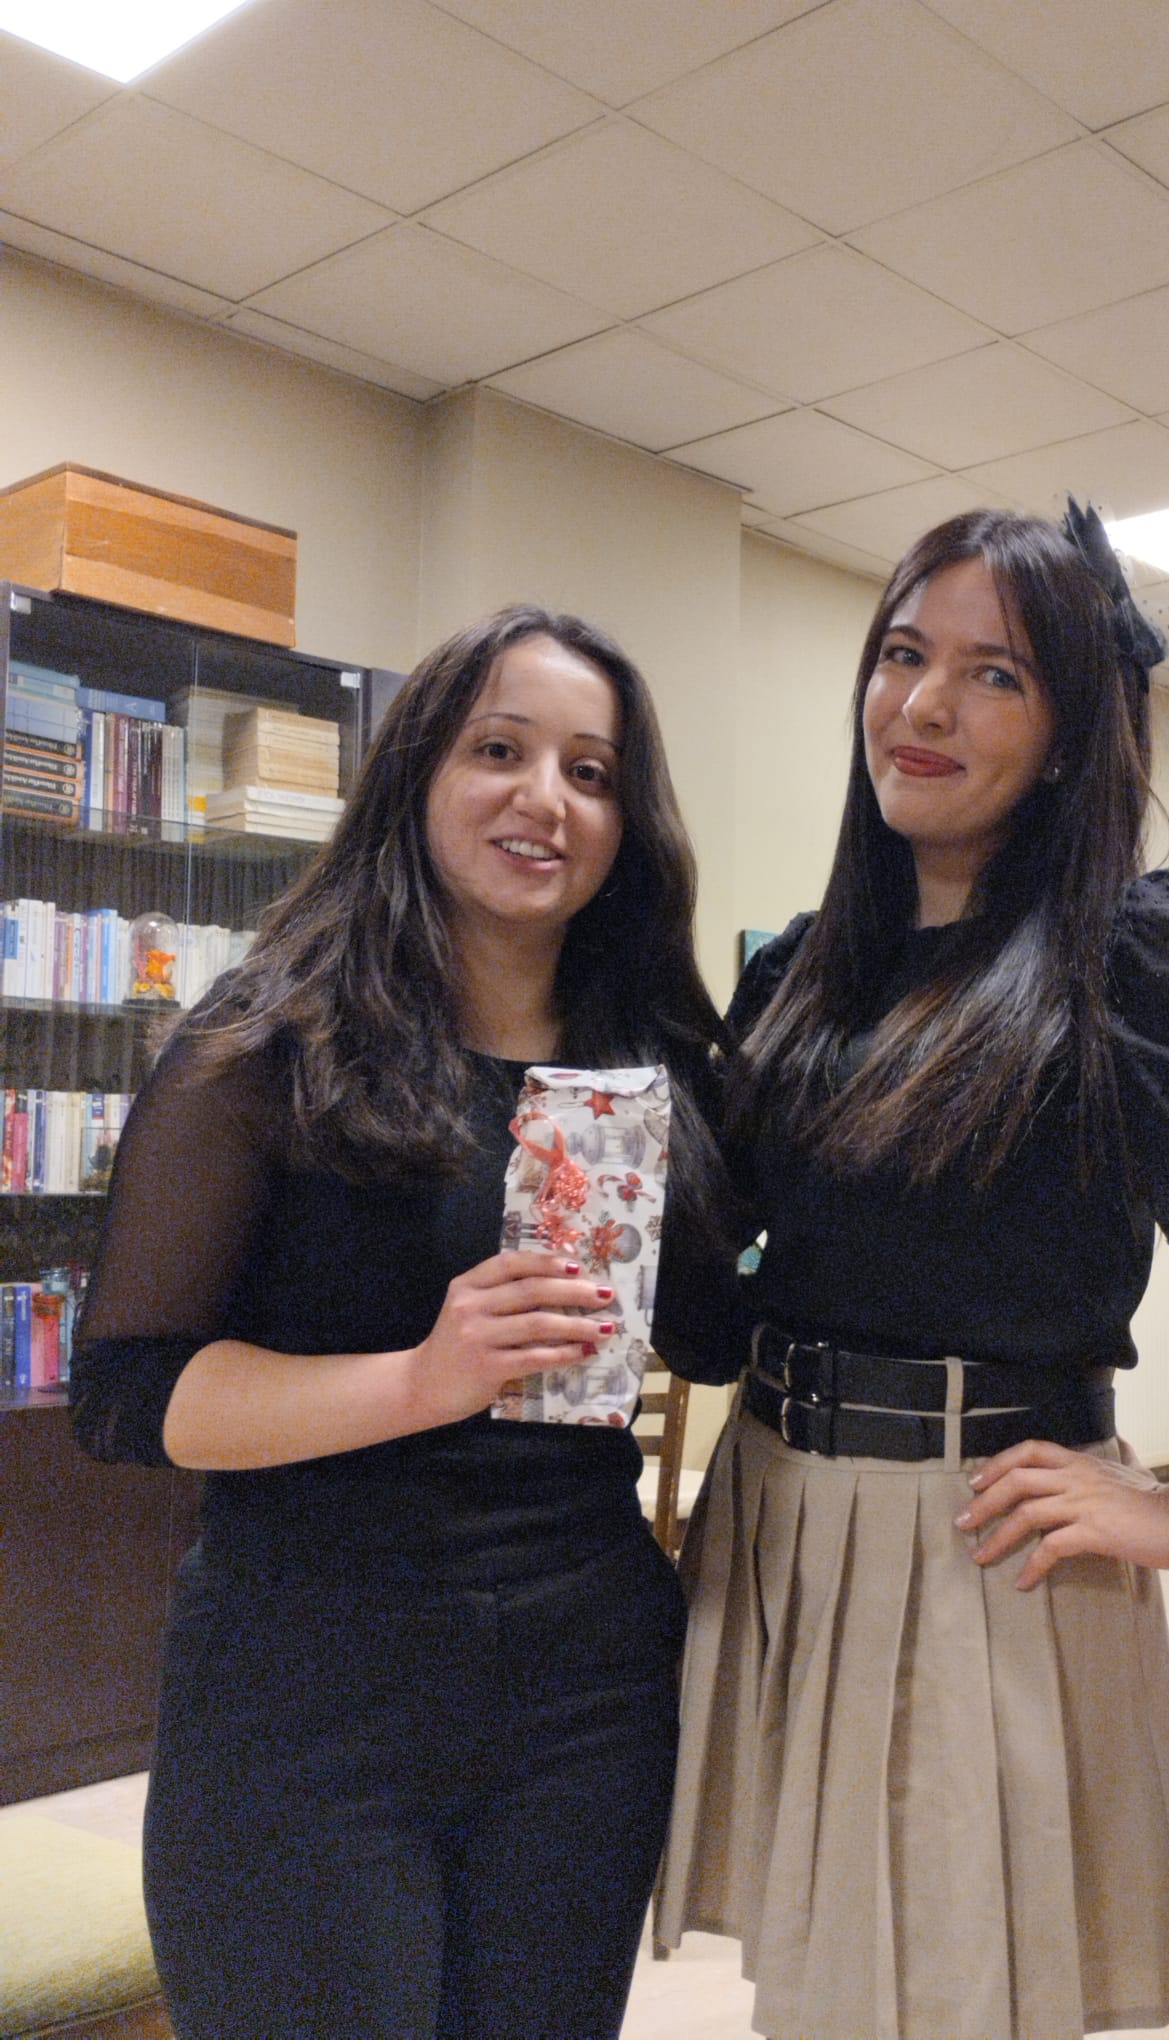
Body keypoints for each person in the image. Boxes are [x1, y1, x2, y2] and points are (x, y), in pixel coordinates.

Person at [653, 505, 1169, 2040]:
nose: (924, 705)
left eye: (996, 675)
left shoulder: (1135, 959)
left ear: (1074, 733)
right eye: (904, 654)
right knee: (821, 1990)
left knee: (949, 2002)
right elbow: (730, 1269)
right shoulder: (804, 970)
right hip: (779, 1523)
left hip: (979, 1540)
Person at [70, 605, 731, 2040]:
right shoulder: (265, 1044)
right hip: (307, 1681)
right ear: (418, 774)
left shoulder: (652, 1070)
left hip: (588, 1691)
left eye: (592, 772)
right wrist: (423, 1379)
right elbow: (128, 1394)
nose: (545, 798)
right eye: (499, 750)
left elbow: (722, 1334)